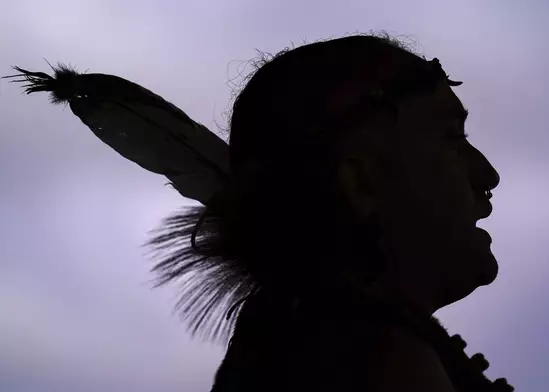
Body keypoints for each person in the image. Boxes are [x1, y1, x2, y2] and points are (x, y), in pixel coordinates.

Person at [5, 32, 510, 391]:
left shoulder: (305, 340)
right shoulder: (363, 359)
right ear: (359, 182)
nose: (486, 175)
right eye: (452, 138)